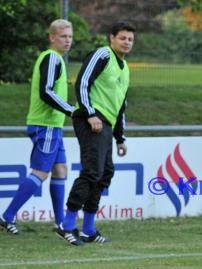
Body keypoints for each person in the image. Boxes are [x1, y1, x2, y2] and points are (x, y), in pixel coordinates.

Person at [55, 21, 136, 246]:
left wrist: (120, 137)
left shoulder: (126, 68)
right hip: (91, 120)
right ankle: (66, 224)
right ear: (111, 38)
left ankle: (89, 229)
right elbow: (82, 82)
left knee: (105, 173)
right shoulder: (102, 55)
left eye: (130, 39)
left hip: (106, 125)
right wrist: (90, 113)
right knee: (92, 172)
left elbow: (121, 106)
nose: (127, 42)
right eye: (123, 38)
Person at [0, 19, 74, 235]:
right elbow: (47, 91)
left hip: (53, 126)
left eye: (70, 37)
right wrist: (71, 110)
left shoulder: (56, 58)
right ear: (52, 37)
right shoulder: (51, 58)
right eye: (63, 36)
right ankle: (7, 216)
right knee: (41, 172)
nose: (68, 40)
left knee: (60, 170)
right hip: (46, 125)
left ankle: (60, 223)